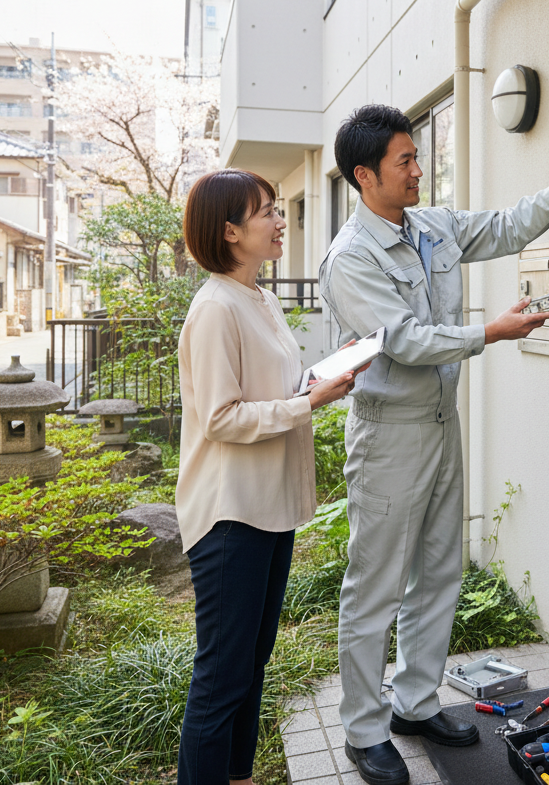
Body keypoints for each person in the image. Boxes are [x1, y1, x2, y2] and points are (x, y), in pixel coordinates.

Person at [319, 105, 549, 785]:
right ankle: (364, 731)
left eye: (417, 157)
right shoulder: (349, 259)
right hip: (389, 435)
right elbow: (406, 340)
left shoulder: (431, 225)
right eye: (404, 162)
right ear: (365, 176)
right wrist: (492, 332)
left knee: (439, 571)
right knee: (375, 588)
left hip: (442, 425)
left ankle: (415, 705)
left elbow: (506, 227)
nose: (419, 170)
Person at [176, 169, 355, 785]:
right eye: (267, 213)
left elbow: (270, 390)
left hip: (268, 508)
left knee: (250, 664)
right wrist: (311, 402)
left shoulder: (259, 297)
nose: (281, 222)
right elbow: (221, 418)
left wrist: (318, 382)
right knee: (222, 675)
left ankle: (239, 776)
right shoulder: (214, 308)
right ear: (229, 231)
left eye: (278, 210)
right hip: (230, 514)